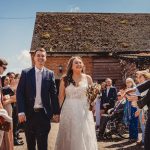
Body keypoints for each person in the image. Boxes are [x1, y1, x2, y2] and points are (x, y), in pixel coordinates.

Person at [16, 48, 60, 150]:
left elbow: (53, 94)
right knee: (30, 145)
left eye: (43, 56)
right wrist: (21, 111)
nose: (40, 57)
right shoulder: (26, 73)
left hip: (44, 115)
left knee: (43, 145)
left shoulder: (50, 74)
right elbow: (20, 93)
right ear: (34, 58)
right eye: (38, 55)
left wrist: (56, 112)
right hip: (28, 115)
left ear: (46, 58)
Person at [54, 56, 98, 150]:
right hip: (69, 110)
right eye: (76, 63)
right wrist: (58, 112)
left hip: (84, 110)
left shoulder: (88, 78)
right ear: (71, 66)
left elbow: (92, 95)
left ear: (83, 65)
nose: (78, 64)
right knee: (69, 133)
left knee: (84, 132)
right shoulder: (64, 79)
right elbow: (61, 97)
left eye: (80, 62)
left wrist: (93, 104)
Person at [123, 78, 139, 142]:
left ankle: (135, 137)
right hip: (128, 108)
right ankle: (131, 136)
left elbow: (130, 98)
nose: (128, 83)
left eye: (129, 82)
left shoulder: (135, 88)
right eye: (127, 82)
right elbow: (125, 98)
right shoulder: (127, 89)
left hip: (134, 107)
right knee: (130, 122)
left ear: (132, 82)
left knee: (134, 122)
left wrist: (126, 93)